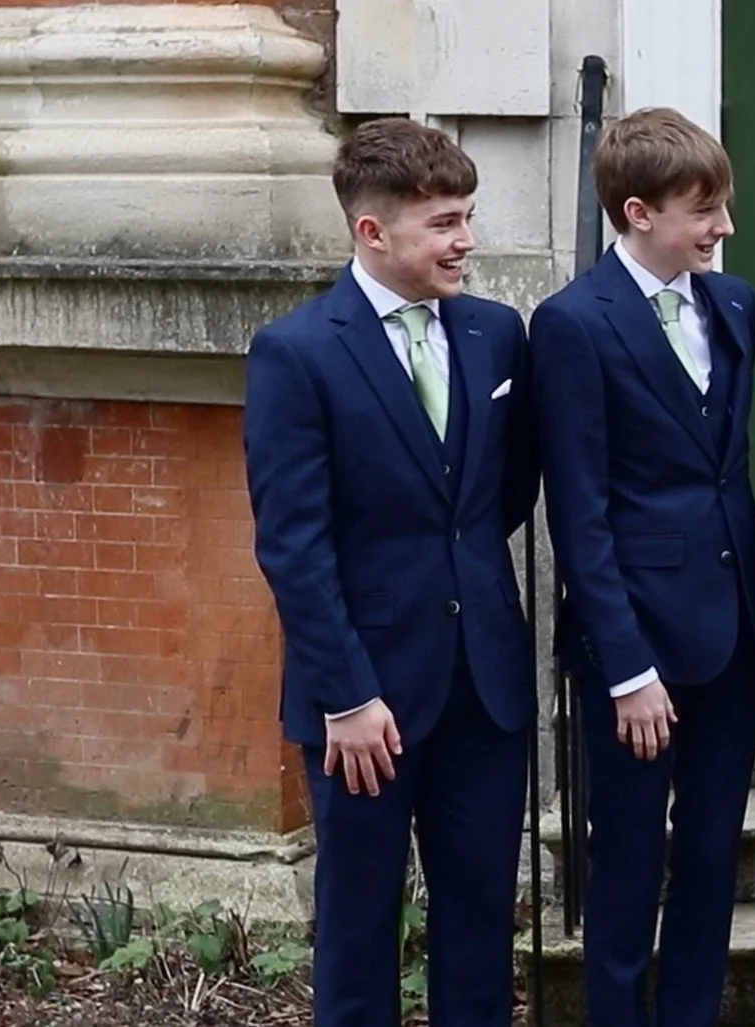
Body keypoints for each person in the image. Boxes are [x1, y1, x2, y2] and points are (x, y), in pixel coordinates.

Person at [243, 117, 537, 1027]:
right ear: (372, 232)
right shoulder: (299, 351)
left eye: (468, 216)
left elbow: (503, 494)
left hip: (484, 684)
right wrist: (344, 693)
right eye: (444, 223)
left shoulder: (496, 334)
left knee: (481, 926)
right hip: (361, 699)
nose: (467, 241)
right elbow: (292, 541)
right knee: (360, 931)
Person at [528, 107, 755, 1027]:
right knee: (627, 855)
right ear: (637, 213)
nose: (723, 229)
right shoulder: (573, 324)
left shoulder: (734, 302)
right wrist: (626, 667)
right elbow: (579, 512)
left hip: (732, 628)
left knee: (713, 850)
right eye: (702, 210)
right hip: (636, 646)